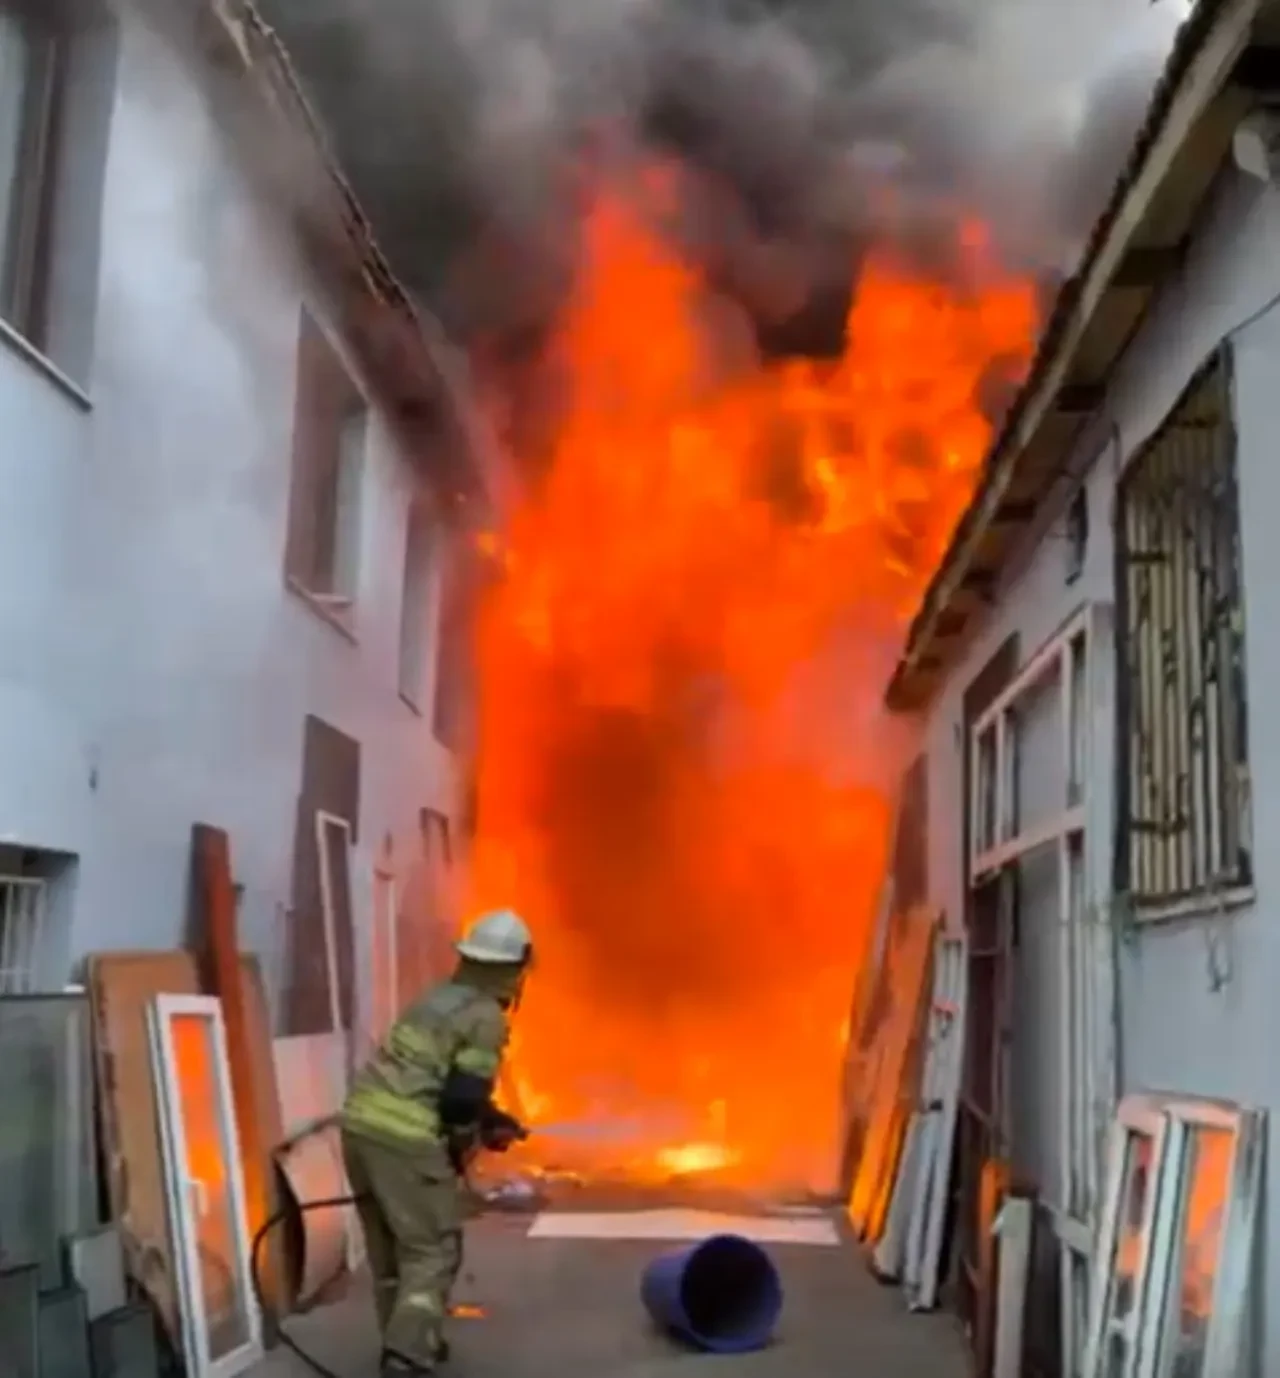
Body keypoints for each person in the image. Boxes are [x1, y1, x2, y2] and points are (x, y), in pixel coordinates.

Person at [340, 908, 533, 1376]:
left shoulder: (436, 1000)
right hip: (405, 1137)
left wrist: (491, 1118)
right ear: (513, 967)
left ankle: (406, 1339)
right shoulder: (486, 1015)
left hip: (359, 1126)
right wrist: (477, 1129)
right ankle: (407, 1357)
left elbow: (438, 1079)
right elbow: (462, 1099)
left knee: (390, 1248)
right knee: (433, 1249)